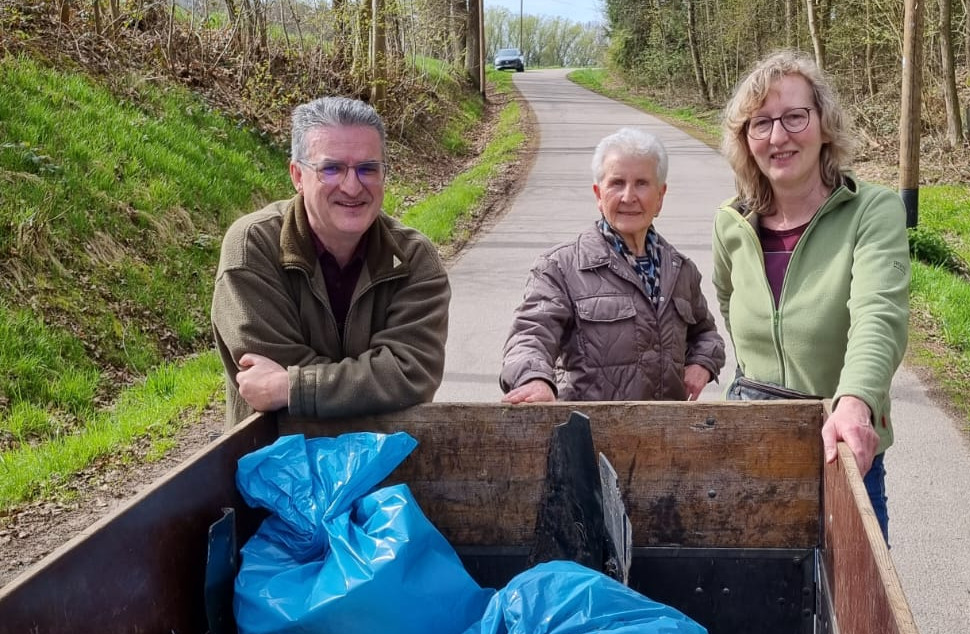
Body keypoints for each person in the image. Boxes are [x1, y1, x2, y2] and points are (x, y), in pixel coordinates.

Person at [713, 50, 909, 540]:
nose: (778, 137)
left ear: (825, 125)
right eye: (761, 124)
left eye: (795, 117)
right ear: (746, 141)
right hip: (754, 451)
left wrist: (856, 402)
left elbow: (878, 315)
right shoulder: (730, 223)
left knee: (853, 611)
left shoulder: (874, 211)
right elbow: (727, 305)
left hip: (840, 451)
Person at [211, 96, 450, 428]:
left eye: (368, 169)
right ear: (297, 175)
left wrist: (293, 387)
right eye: (331, 168)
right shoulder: (253, 248)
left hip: (386, 467)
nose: (352, 187)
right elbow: (268, 392)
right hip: (279, 469)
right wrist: (372, 389)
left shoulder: (413, 259)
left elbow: (410, 374)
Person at [500, 127, 725, 403]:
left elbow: (706, 333)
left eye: (642, 183)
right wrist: (533, 379)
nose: (628, 196)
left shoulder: (680, 270)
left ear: (660, 196)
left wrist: (703, 362)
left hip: (667, 437)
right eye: (617, 183)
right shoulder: (560, 268)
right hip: (590, 438)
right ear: (598, 194)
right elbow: (529, 335)